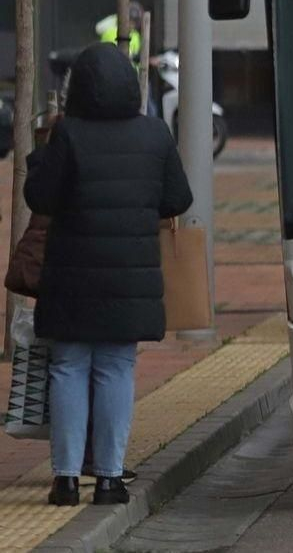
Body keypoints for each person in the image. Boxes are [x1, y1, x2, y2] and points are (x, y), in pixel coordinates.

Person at [24, 43, 193, 507]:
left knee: (68, 368)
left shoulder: (68, 135)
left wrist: (38, 158)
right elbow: (178, 199)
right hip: (129, 281)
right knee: (116, 369)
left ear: (77, 88)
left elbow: (41, 198)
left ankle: (64, 480)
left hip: (71, 280)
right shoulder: (155, 134)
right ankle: (110, 479)